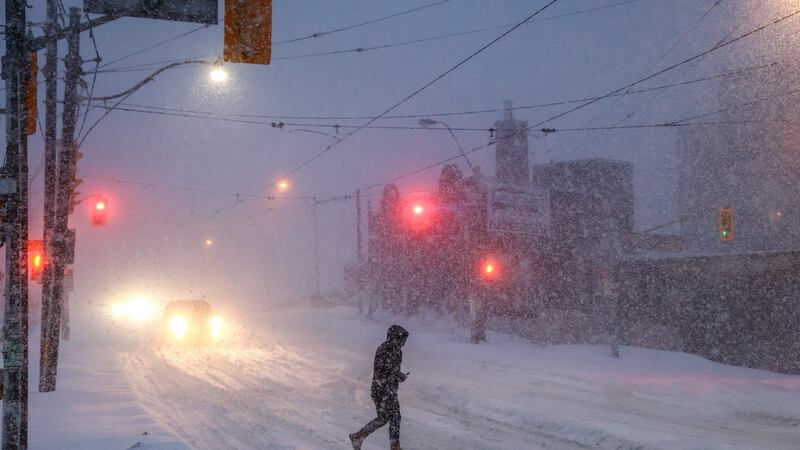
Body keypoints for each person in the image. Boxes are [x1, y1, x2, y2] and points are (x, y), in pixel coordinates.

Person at [350, 325, 410, 450]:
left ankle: (359, 436)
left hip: (380, 388)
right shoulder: (390, 349)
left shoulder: (388, 348)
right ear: (395, 337)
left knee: (384, 418)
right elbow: (387, 368)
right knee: (394, 417)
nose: (403, 343)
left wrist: (399, 376)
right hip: (384, 389)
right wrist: (399, 375)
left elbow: (388, 370)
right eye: (402, 339)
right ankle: (394, 447)